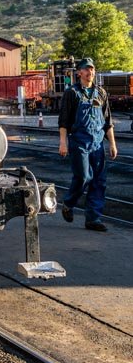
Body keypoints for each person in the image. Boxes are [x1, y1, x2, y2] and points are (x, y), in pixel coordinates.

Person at [58, 57, 117, 232]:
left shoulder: (101, 93)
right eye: (86, 69)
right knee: (84, 177)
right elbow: (64, 121)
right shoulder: (72, 93)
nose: (90, 72)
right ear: (79, 73)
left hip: (98, 143)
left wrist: (112, 144)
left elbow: (108, 121)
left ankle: (93, 218)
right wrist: (63, 143)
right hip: (79, 142)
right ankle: (69, 203)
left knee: (99, 181)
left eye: (92, 69)